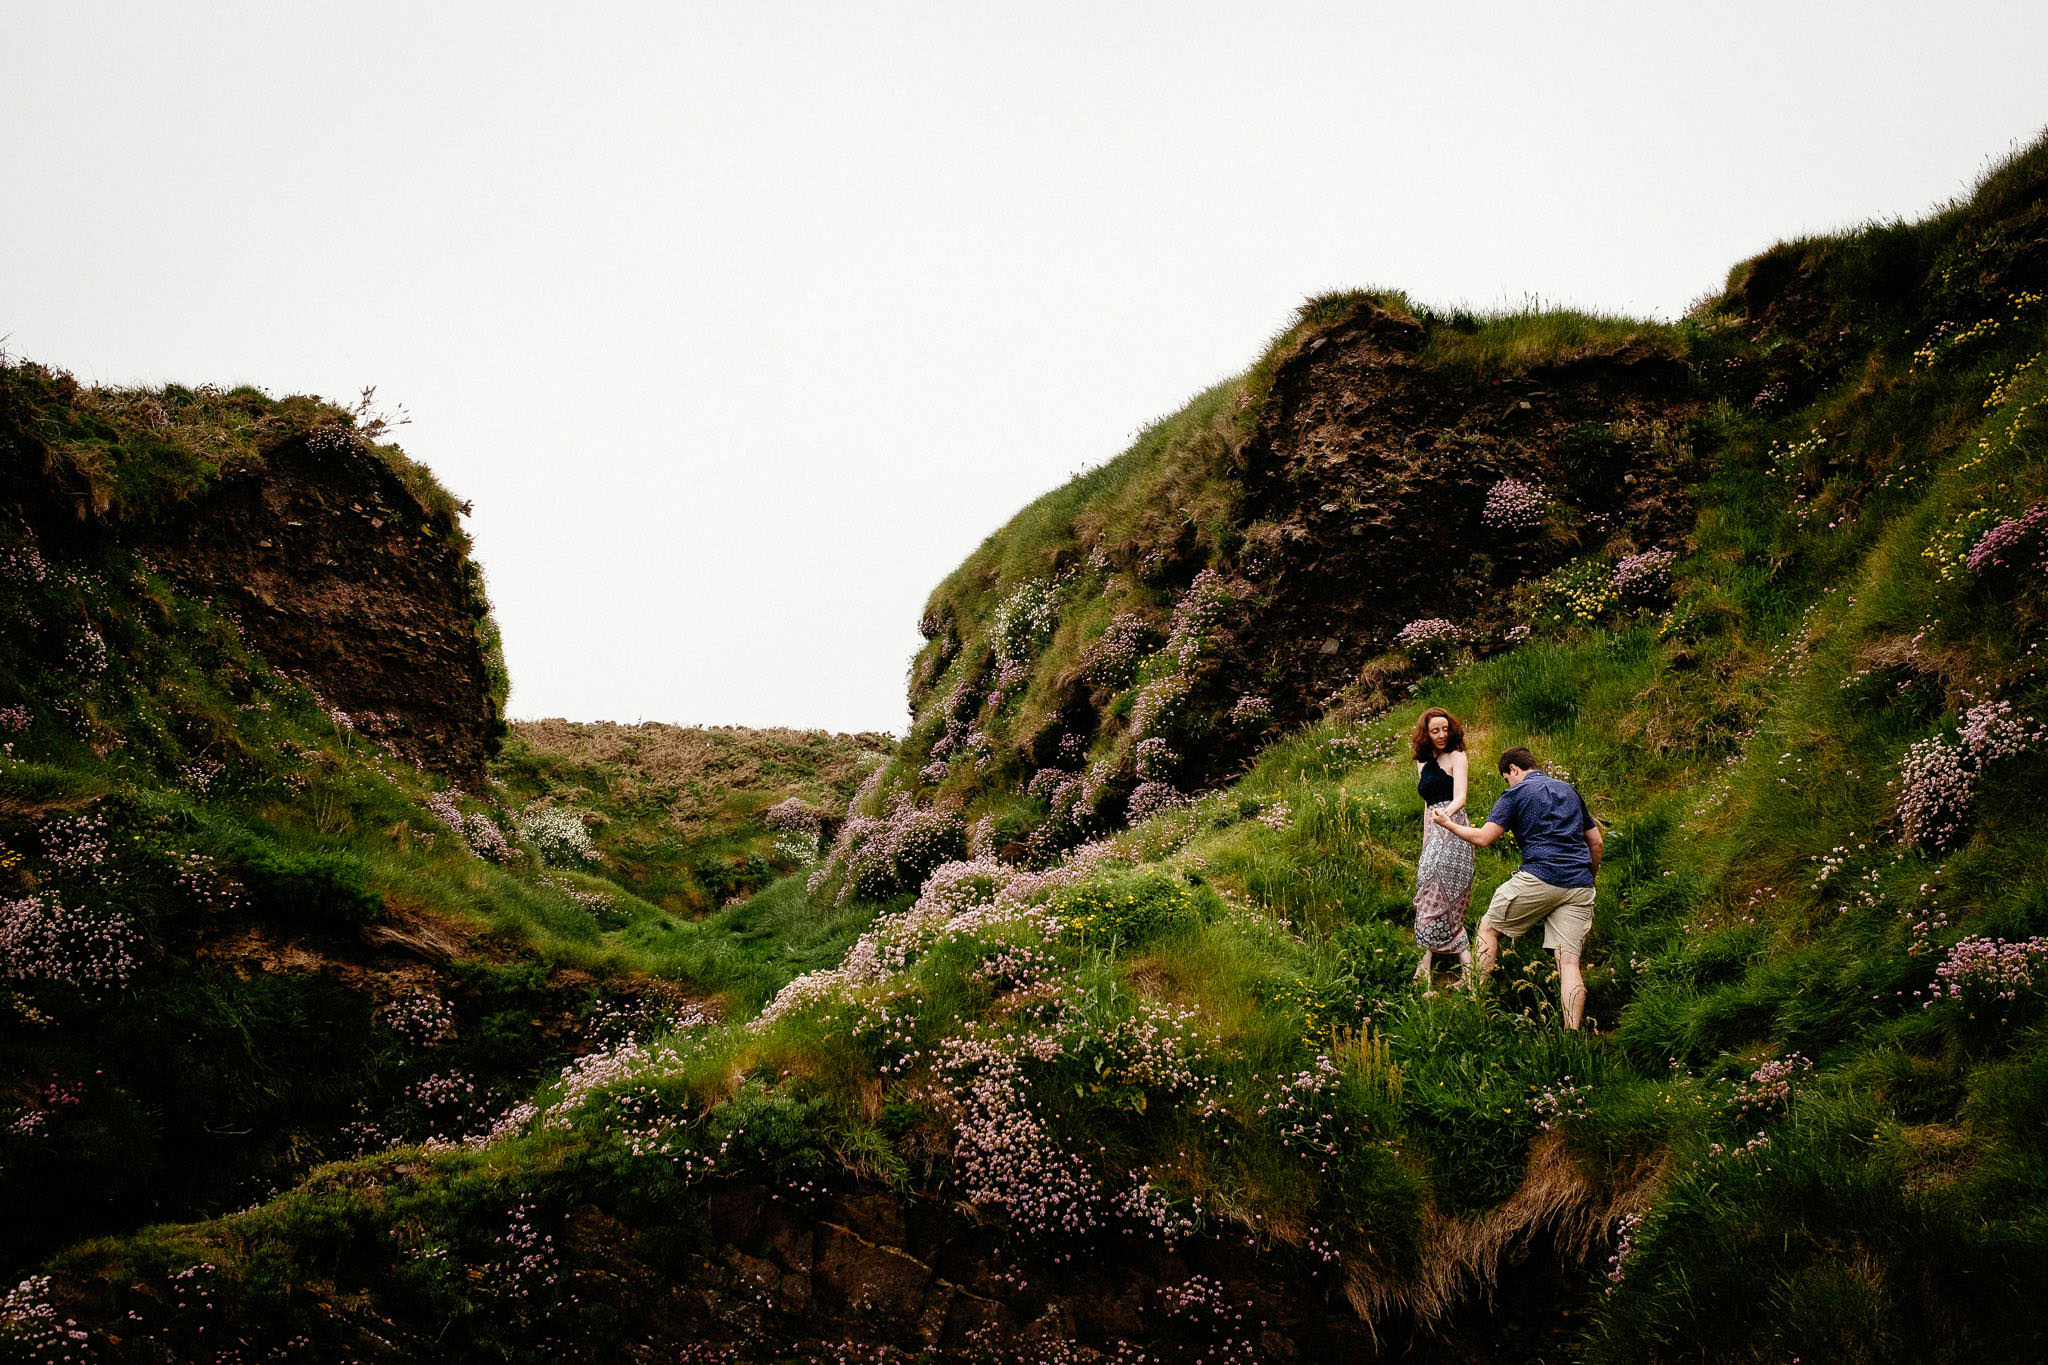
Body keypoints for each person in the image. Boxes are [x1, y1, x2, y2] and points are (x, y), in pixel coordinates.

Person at [1429, 747, 1602, 1029]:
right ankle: (1572, 1034)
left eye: (1506, 778)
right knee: (1569, 963)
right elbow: (1596, 843)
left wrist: (1448, 824)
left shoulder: (1517, 793)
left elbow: (1485, 838)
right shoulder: (1569, 791)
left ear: (1513, 770)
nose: (1508, 783)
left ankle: (1475, 999)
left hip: (1540, 875)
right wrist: (1587, 877)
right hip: (1580, 884)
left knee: (1488, 927)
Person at [1408, 707, 1475, 987]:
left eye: (1445, 729)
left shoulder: (1457, 756)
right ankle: (1430, 964)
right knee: (1427, 890)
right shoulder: (1423, 761)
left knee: (1446, 895)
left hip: (1455, 827)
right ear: (1426, 733)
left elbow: (1461, 796)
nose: (1441, 735)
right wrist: (1428, 839)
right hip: (1432, 830)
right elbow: (1426, 803)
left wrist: (1445, 816)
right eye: (1435, 730)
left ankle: (1468, 974)